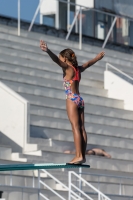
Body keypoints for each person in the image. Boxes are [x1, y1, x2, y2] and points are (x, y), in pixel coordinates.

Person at [40, 40, 105, 164]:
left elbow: (56, 60)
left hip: (71, 98)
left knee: (75, 127)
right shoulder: (78, 69)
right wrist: (97, 58)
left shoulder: (68, 68)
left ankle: (79, 155)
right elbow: (88, 64)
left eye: (61, 58)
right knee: (82, 128)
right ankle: (82, 156)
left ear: (64, 59)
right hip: (80, 99)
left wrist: (48, 51)